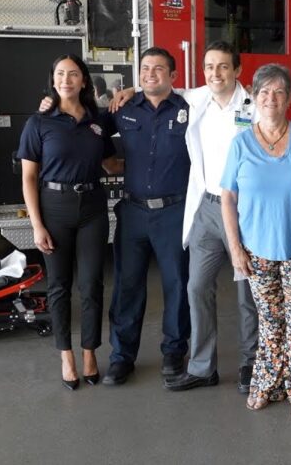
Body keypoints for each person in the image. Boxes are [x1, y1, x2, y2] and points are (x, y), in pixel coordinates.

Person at [106, 41, 259, 394]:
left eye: (223, 66)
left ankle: (250, 362)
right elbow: (154, 87)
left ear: (237, 70)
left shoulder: (250, 106)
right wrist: (130, 88)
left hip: (242, 209)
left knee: (246, 293)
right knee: (193, 288)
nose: (215, 73)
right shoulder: (196, 99)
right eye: (209, 67)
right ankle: (201, 366)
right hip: (202, 207)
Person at [220, 64, 291, 418]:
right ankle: (267, 384)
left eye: (278, 92)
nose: (270, 99)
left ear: (289, 99)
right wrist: (235, 248)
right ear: (254, 98)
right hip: (256, 252)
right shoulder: (241, 143)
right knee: (270, 321)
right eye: (263, 92)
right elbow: (228, 196)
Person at [18, 53, 115, 391]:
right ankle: (66, 356)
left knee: (91, 286)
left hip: (92, 207)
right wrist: (36, 225)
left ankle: (89, 352)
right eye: (60, 74)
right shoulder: (39, 122)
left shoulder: (97, 120)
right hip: (54, 208)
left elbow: (110, 163)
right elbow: (29, 178)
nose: (66, 80)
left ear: (84, 81)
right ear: (53, 80)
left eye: (73, 74)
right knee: (59, 287)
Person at [101, 48, 192, 385]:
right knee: (127, 285)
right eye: (144, 68)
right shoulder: (122, 108)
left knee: (177, 284)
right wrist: (51, 106)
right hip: (133, 213)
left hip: (175, 212)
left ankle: (173, 351)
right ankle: (122, 357)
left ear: (173, 76)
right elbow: (84, 128)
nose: (150, 73)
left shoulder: (189, 109)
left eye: (158, 68)